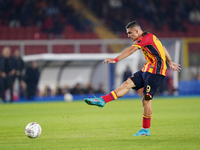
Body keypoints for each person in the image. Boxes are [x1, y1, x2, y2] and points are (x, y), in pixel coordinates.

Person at [84, 21, 181, 136]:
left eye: (130, 33)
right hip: (147, 69)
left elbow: (131, 50)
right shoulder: (151, 37)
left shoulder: (145, 38)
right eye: (127, 33)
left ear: (137, 31)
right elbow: (163, 47)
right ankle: (102, 100)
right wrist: (170, 61)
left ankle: (145, 130)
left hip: (157, 71)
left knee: (146, 99)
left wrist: (115, 59)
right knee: (126, 84)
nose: (129, 36)